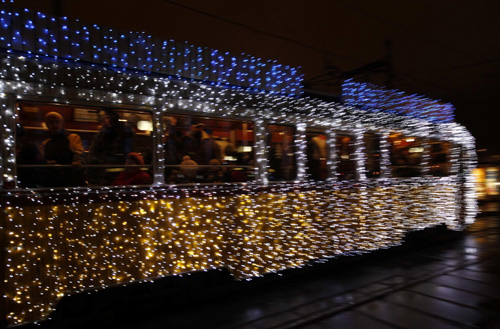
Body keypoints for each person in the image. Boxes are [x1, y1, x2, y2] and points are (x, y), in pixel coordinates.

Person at [88, 108, 135, 185]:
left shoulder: (125, 133)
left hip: (118, 171)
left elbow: (128, 153)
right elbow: (94, 155)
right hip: (104, 171)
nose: (108, 121)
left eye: (110, 118)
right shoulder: (101, 135)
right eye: (106, 118)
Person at [39, 111, 86, 187]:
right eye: (51, 122)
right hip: (53, 181)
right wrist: (47, 163)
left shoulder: (73, 137)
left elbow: (78, 152)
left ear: (62, 124)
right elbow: (41, 159)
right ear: (47, 126)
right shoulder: (46, 143)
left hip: (71, 179)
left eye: (57, 122)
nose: (54, 124)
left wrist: (78, 161)